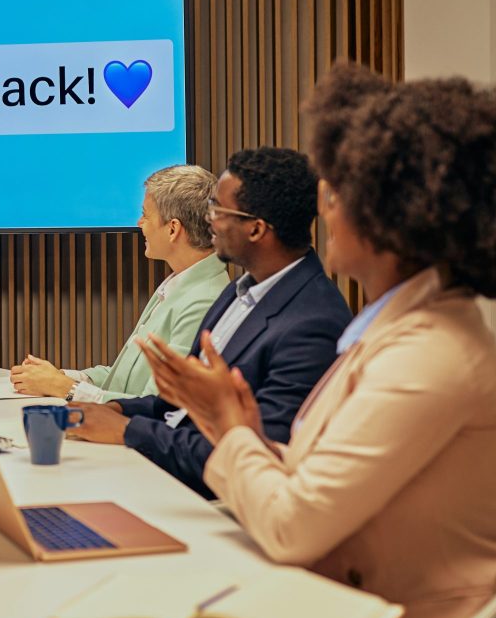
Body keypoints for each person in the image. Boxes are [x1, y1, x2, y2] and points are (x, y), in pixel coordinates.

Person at [139, 64, 496, 618]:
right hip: (351, 603)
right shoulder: (401, 332)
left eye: (342, 193)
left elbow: (293, 527)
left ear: (399, 220)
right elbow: (309, 487)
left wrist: (228, 426)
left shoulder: (428, 359)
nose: (327, 210)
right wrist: (237, 426)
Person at [68, 148, 347, 500]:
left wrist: (127, 430)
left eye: (219, 211)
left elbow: (257, 454)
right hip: (168, 472)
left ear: (257, 229)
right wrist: (117, 409)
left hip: (215, 503)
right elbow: (182, 407)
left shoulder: (311, 322)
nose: (209, 220)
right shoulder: (240, 291)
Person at [9, 165, 228, 402]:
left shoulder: (203, 302)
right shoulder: (179, 283)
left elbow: (155, 405)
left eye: (146, 214)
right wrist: (63, 378)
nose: (139, 223)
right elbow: (126, 382)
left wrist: (66, 388)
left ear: (173, 229)